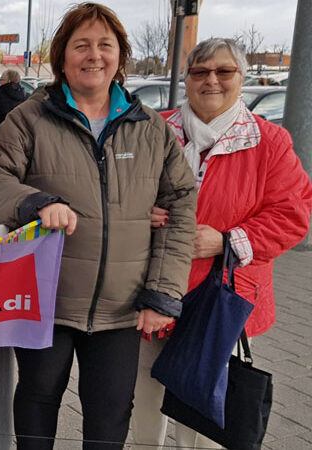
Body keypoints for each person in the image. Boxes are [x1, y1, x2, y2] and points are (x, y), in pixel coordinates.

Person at [0, 3, 197, 449]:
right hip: (47, 300)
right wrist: (36, 202)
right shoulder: (30, 117)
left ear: (120, 56)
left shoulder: (150, 129)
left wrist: (163, 292)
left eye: (105, 45)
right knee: (38, 398)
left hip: (123, 307)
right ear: (62, 56)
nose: (94, 55)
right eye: (81, 45)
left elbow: (180, 205)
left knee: (111, 412)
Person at [130, 38, 312, 450]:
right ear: (188, 79)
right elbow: (117, 194)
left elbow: (293, 215)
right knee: (146, 395)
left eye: (224, 71)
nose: (211, 80)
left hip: (222, 297)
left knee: (204, 407)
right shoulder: (152, 129)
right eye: (200, 71)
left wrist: (228, 240)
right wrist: (139, 215)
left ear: (241, 79)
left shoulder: (270, 142)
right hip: (152, 287)